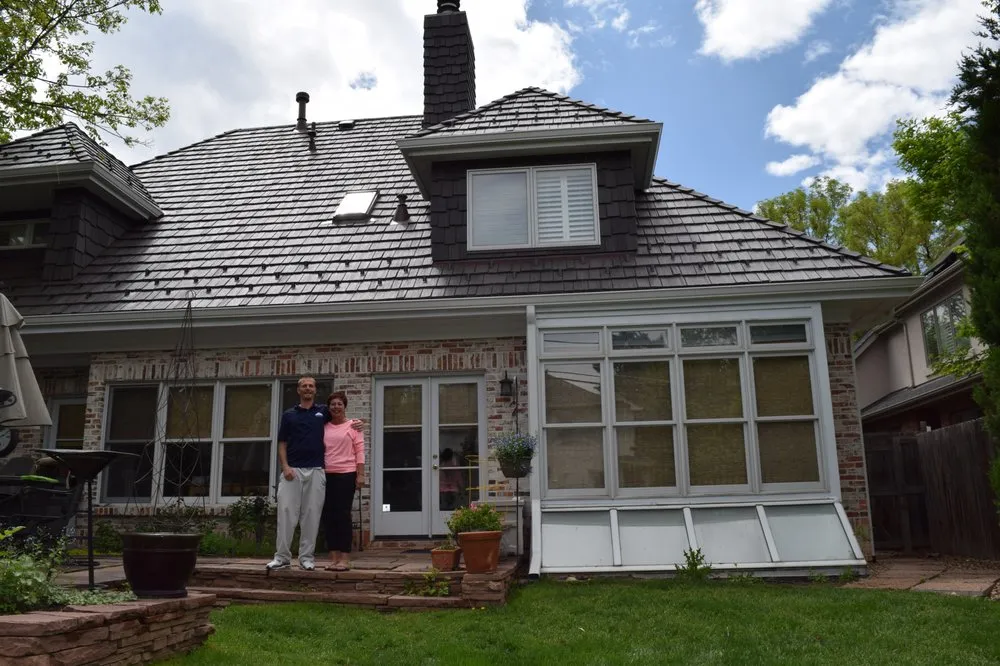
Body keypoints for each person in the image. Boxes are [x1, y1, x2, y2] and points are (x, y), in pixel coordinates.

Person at [266, 376, 329, 571]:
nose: (308, 389)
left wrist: (357, 423)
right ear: (298, 390)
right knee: (286, 513)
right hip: (292, 471)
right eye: (304, 386)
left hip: (317, 470)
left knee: (311, 515)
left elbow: (341, 422)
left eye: (311, 386)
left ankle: (306, 557)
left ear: (315, 390)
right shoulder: (289, 415)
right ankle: (282, 557)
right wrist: (285, 466)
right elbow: (282, 442)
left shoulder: (323, 412)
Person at [321, 391, 365, 571]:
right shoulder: (323, 426)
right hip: (326, 475)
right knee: (328, 516)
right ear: (328, 407)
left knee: (343, 515)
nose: (336, 407)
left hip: (347, 474)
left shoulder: (354, 426)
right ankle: (333, 557)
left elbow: (360, 452)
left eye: (339, 404)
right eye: (333, 404)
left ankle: (345, 558)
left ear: (344, 406)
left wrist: (360, 475)